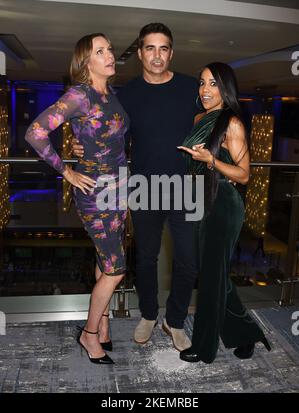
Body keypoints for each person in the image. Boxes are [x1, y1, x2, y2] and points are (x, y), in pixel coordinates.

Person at [72, 23, 199, 351]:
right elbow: (107, 134)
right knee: (145, 257)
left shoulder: (190, 87)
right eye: (150, 48)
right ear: (140, 53)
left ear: (171, 52)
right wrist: (78, 148)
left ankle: (174, 320)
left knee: (188, 259)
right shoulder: (124, 94)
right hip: (142, 185)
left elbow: (214, 119)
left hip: (186, 185)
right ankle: (146, 314)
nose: (158, 55)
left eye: (164, 48)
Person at [25, 33, 129, 365]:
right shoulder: (80, 95)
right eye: (101, 51)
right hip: (95, 192)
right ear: (87, 63)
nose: (110, 54)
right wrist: (66, 171)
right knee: (116, 269)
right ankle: (88, 333)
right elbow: (36, 132)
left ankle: (103, 327)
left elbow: (104, 138)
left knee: (105, 261)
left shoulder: (109, 92)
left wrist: (77, 146)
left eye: (110, 49)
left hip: (120, 187)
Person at [178, 62, 271, 364]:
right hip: (198, 201)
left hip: (223, 203)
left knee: (210, 279)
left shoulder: (232, 124)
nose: (205, 90)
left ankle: (204, 348)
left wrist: (211, 161)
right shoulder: (198, 118)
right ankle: (246, 333)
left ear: (225, 88)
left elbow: (244, 175)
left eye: (212, 84)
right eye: (202, 83)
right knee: (216, 276)